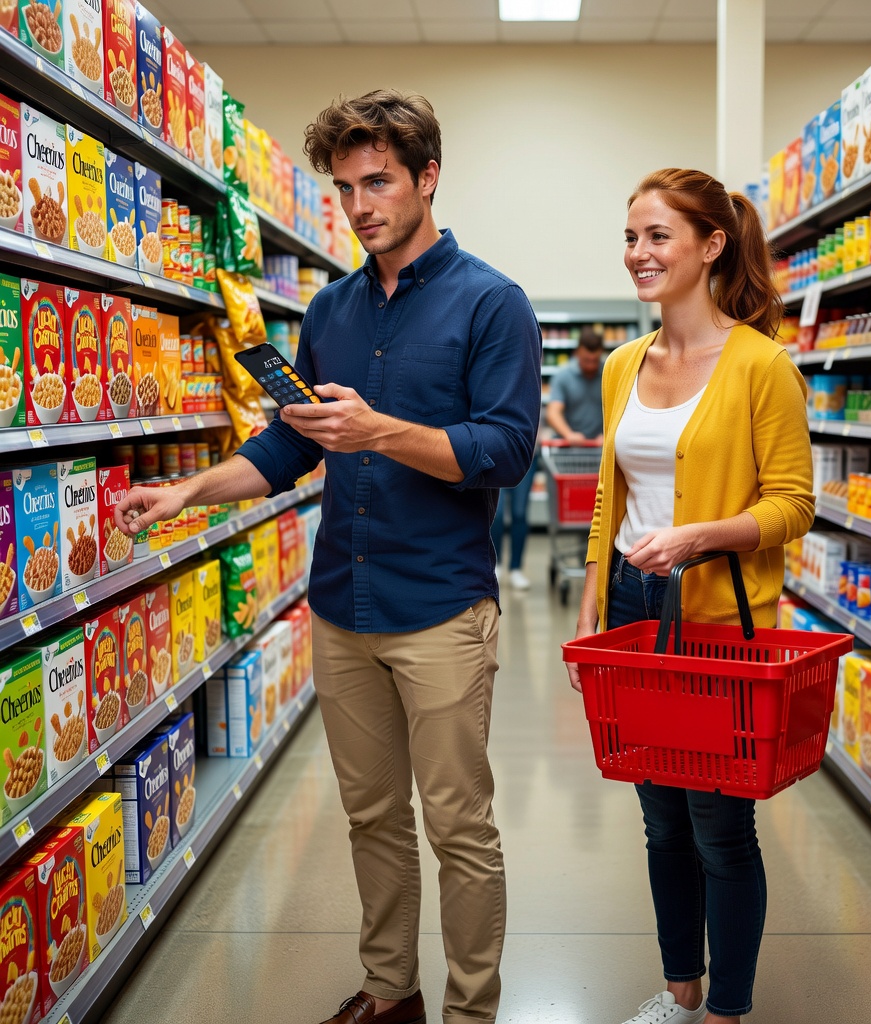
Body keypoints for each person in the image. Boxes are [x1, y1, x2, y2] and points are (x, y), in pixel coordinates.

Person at [115, 90, 541, 1024]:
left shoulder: (493, 303)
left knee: (460, 830)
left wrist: (382, 430)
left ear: (428, 178)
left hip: (440, 611)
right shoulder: (331, 308)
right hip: (342, 608)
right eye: (346, 187)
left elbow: (507, 452)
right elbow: (289, 446)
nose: (360, 206)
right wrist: (188, 490)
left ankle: (474, 1012)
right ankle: (392, 993)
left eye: (379, 181)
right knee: (372, 819)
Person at [565, 168, 814, 1024]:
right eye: (631, 236)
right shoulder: (625, 364)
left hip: (718, 621)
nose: (639, 253)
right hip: (636, 610)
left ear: (711, 246)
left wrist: (700, 537)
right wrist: (593, 600)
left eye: (658, 236)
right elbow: (608, 491)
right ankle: (681, 989)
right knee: (659, 819)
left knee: (719, 827)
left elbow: (793, 504)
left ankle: (727, 1011)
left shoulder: (761, 365)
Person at [546, 325, 605, 443]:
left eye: (595, 360)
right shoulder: (563, 375)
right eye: (586, 360)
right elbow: (553, 412)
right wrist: (569, 434)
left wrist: (609, 434)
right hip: (570, 449)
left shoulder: (609, 373)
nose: (591, 366)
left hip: (601, 447)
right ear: (577, 353)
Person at [489, 447, 537, 590]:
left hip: (527, 452)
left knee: (519, 513)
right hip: (497, 453)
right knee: (497, 514)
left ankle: (516, 568)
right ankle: (495, 565)